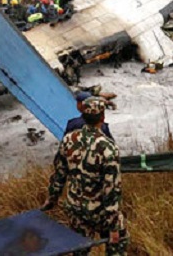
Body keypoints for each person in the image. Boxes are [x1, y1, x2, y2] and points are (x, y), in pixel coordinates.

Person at [44, 97, 127, 255]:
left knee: (80, 249)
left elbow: (59, 173)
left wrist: (52, 198)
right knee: (119, 243)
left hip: (76, 209)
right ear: (103, 118)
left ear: (82, 115)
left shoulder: (69, 139)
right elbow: (111, 190)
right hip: (99, 212)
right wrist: (114, 227)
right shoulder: (108, 148)